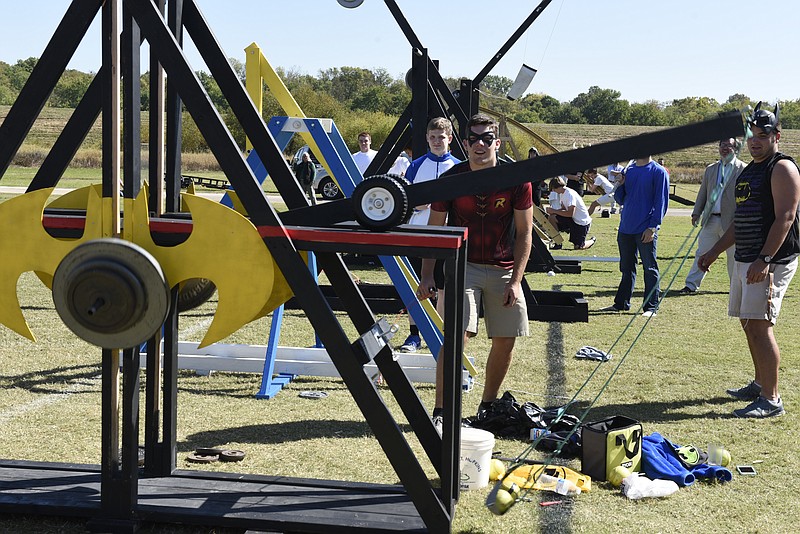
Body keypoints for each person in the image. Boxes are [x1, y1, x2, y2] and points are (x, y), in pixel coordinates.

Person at [416, 113, 533, 430]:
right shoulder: (452, 179)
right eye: (474, 139)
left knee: (506, 338)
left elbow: (525, 232)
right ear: (465, 144)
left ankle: (487, 406)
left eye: (487, 139)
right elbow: (435, 229)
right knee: (458, 336)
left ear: (497, 142)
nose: (480, 145)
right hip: (462, 265)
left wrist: (517, 280)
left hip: (504, 267)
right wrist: (428, 276)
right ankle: (442, 411)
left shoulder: (516, 180)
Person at [698, 103, 800, 418]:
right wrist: (714, 251)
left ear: (776, 136)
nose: (755, 141)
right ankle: (759, 384)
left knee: (760, 325)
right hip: (746, 257)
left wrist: (765, 259)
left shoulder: (781, 167)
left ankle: (771, 400)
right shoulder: (750, 170)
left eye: (762, 135)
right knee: (748, 323)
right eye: (751, 135)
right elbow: (740, 220)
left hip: (770, 260)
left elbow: (785, 216)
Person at [397, 118, 460, 353]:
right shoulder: (416, 166)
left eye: (441, 137)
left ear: (449, 139)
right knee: (417, 285)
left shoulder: (458, 166)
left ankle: (440, 334)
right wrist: (419, 204)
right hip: (418, 234)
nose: (436, 141)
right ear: (426, 139)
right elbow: (405, 200)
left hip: (446, 236)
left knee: (443, 288)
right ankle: (414, 335)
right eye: (432, 137)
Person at [600, 156, 669, 317]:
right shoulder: (628, 170)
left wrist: (652, 227)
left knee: (649, 268)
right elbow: (620, 198)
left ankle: (651, 307)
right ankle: (621, 303)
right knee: (626, 268)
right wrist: (621, 183)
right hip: (626, 228)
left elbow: (661, 202)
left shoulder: (658, 171)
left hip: (645, 228)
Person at [679, 138, 746, 293]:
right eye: (722, 145)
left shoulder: (743, 169)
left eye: (729, 146)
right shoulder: (711, 169)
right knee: (702, 253)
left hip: (732, 222)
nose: (725, 148)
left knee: (734, 257)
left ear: (735, 149)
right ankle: (691, 285)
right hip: (711, 219)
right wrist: (696, 212)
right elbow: (703, 192)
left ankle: (735, 288)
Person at [546, 176, 595, 249]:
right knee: (552, 218)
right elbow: (563, 208)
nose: (554, 191)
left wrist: (554, 211)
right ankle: (558, 242)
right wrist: (553, 212)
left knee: (578, 247)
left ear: (558, 187)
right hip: (572, 220)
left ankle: (592, 240)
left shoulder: (569, 194)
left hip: (581, 223)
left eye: (554, 189)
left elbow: (570, 213)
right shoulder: (562, 194)